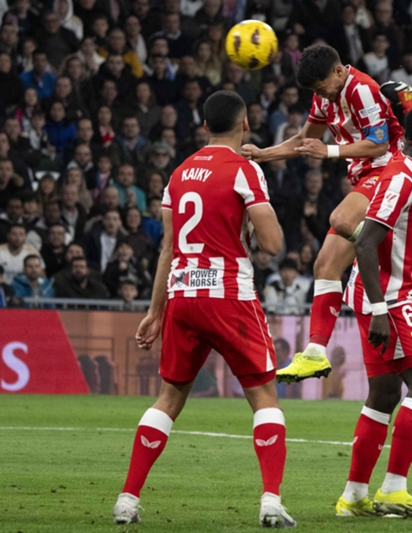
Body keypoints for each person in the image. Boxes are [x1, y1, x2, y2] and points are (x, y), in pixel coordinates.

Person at [113, 91, 295, 528]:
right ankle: (271, 501)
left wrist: (155, 312)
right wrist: (252, 222)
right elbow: (273, 245)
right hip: (229, 296)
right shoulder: (245, 170)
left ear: (204, 125)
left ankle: (127, 500)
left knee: (169, 398)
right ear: (245, 123)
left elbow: (167, 249)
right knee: (264, 397)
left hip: (181, 296)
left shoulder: (178, 175)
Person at [241, 44, 406, 383]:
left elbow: (378, 144)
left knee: (341, 220)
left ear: (337, 71)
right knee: (324, 265)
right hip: (365, 177)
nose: (321, 95)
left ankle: (387, 246)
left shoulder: (363, 89)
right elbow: (304, 141)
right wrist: (261, 154)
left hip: (392, 173)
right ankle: (316, 353)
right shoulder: (324, 97)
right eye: (315, 91)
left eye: (321, 87)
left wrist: (330, 150)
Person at [336, 104, 412, 519]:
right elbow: (365, 242)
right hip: (391, 299)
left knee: (384, 394)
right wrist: (380, 309)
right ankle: (394, 489)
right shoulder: (401, 177)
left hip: (389, 296)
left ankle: (353, 496)